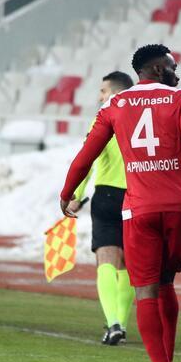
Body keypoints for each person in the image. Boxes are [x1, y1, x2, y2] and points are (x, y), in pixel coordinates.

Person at [60, 44, 181, 362]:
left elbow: (86, 154)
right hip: (179, 207)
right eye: (172, 67)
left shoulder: (114, 104)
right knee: (166, 284)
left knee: (145, 291)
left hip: (139, 209)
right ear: (156, 69)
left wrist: (67, 192)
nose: (177, 73)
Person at [67, 71, 135, 346]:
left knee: (107, 258)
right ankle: (122, 324)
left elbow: (87, 159)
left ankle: (113, 323)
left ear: (114, 93)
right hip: (137, 197)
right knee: (129, 264)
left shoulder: (105, 117)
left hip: (107, 195)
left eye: (103, 91)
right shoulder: (144, 117)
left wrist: (76, 195)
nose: (100, 97)